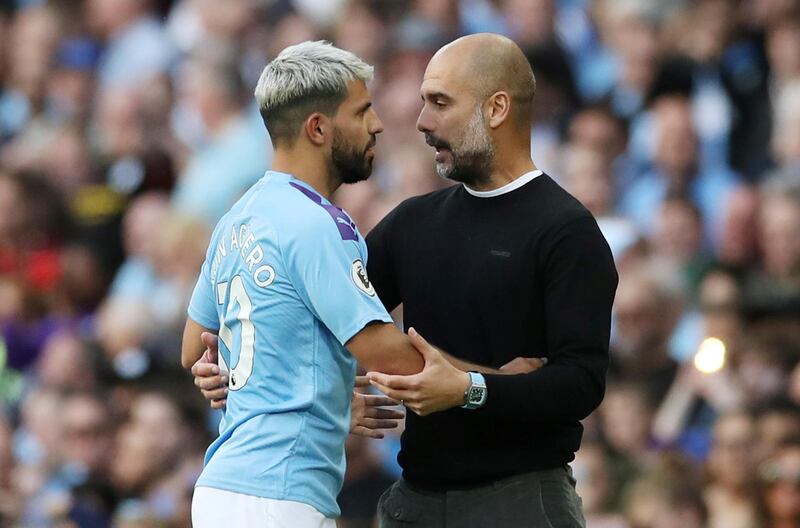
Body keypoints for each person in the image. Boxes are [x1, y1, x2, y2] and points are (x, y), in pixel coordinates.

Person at [194, 33, 617, 527]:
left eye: (440, 103)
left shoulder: (566, 231)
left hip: (519, 500)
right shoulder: (414, 222)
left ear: (497, 108)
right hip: (414, 499)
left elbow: (580, 384)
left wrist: (472, 389)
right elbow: (316, 324)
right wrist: (236, 368)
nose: (422, 122)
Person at [180, 41, 435, 528]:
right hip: (277, 496)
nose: (377, 125)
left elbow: (194, 347)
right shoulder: (317, 224)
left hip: (224, 488)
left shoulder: (237, 217)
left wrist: (327, 396)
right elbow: (390, 358)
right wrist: (488, 380)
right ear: (318, 128)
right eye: (362, 112)